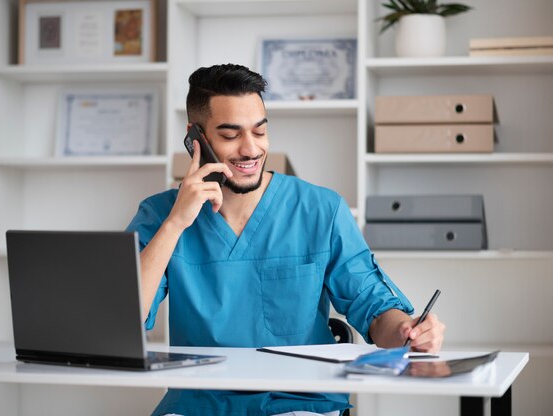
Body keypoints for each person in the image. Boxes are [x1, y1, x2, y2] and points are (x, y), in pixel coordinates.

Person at [126, 63, 446, 416]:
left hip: (298, 404)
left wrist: (407, 333)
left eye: (260, 132)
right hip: (198, 406)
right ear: (196, 139)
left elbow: (373, 308)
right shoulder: (160, 215)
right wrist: (175, 224)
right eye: (231, 136)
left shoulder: (320, 210)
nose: (250, 150)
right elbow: (123, 322)